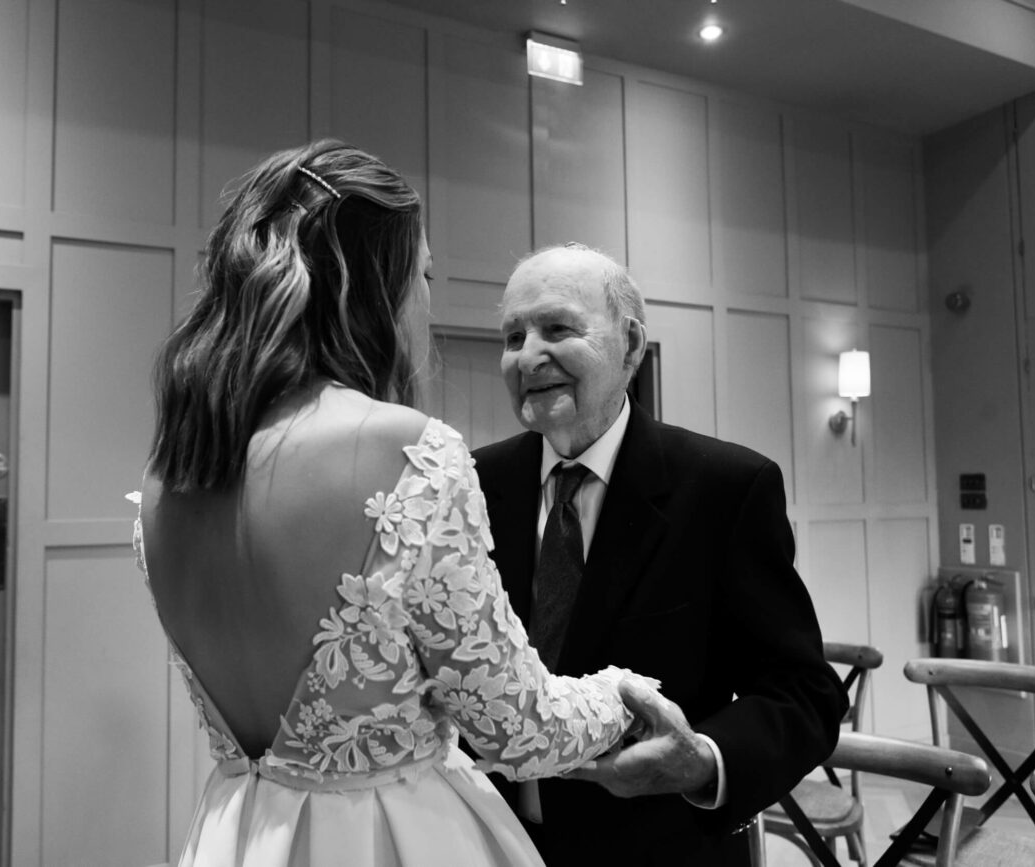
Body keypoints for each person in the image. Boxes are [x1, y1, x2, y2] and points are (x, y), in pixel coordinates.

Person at [132, 141, 654, 867]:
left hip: (238, 833)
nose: (427, 302)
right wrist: (624, 693)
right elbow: (514, 725)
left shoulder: (169, 476)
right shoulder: (405, 451)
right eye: (425, 275)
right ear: (371, 285)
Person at [471, 243, 849, 865]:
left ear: (630, 344)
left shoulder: (725, 487)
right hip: (486, 843)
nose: (528, 355)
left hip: (655, 848)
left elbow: (803, 693)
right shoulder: (474, 482)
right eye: (513, 337)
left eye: (557, 328)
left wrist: (702, 760)